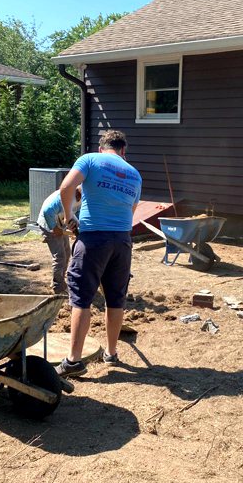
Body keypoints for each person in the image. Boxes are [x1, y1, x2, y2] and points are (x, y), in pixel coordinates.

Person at [55, 130, 142, 378]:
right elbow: (132, 209)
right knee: (116, 297)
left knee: (82, 298)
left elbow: (66, 187)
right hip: (122, 241)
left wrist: (70, 216)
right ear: (123, 151)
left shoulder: (90, 159)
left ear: (102, 147)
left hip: (93, 238)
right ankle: (112, 353)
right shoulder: (134, 174)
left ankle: (73, 361)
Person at [37, 187, 81, 294]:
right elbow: (47, 212)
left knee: (67, 252)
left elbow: (76, 212)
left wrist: (77, 228)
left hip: (60, 223)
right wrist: (54, 228)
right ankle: (58, 287)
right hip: (49, 224)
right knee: (60, 255)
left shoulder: (81, 198)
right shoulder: (64, 197)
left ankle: (59, 279)